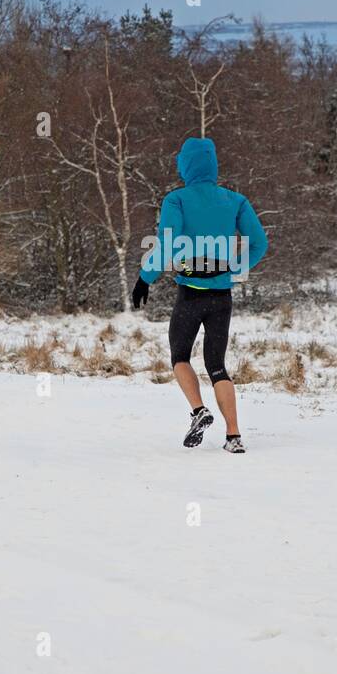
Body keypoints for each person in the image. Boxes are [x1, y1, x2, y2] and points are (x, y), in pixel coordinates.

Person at [131, 137, 268, 453]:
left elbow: (166, 242)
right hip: (222, 296)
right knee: (217, 365)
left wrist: (145, 277)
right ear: (213, 164)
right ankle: (233, 437)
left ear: (185, 164)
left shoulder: (176, 200)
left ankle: (198, 410)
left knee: (179, 356)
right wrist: (233, 270)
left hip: (190, 293)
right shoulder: (235, 201)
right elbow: (259, 243)